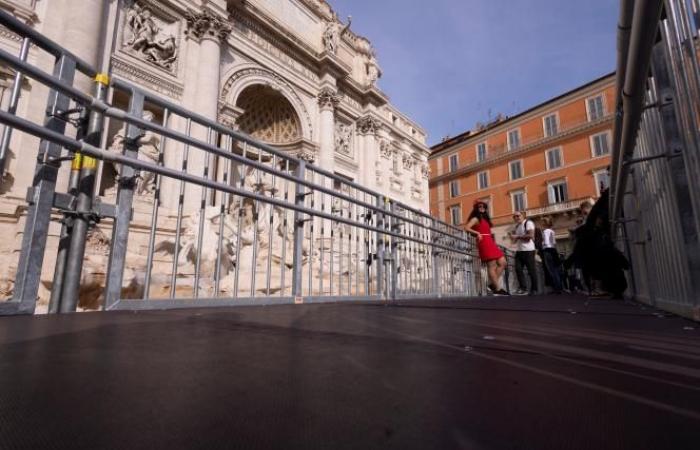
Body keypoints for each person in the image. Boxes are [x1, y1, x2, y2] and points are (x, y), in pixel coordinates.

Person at [465, 200, 508, 295]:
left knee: (503, 262)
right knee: (491, 265)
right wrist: (477, 233)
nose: (482, 208)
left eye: (484, 206)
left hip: (490, 241)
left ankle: (492, 284)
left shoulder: (485, 219)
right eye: (480, 206)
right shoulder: (475, 219)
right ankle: (497, 289)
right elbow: (467, 227)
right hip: (483, 241)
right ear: (476, 208)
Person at [509, 211, 538, 295]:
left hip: (529, 250)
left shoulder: (528, 223)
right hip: (520, 250)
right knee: (518, 269)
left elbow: (531, 236)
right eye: (514, 217)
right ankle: (523, 288)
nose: (516, 218)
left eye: (518, 216)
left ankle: (534, 289)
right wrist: (512, 238)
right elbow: (515, 241)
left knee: (531, 270)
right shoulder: (517, 226)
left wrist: (517, 236)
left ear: (523, 216)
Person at [540, 217, 563, 294]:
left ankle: (556, 288)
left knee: (552, 270)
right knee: (555, 270)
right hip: (553, 250)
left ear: (545, 223)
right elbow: (554, 242)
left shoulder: (545, 231)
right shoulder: (552, 231)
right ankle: (559, 287)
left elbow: (546, 242)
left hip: (547, 250)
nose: (541, 224)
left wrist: (542, 244)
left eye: (542, 222)